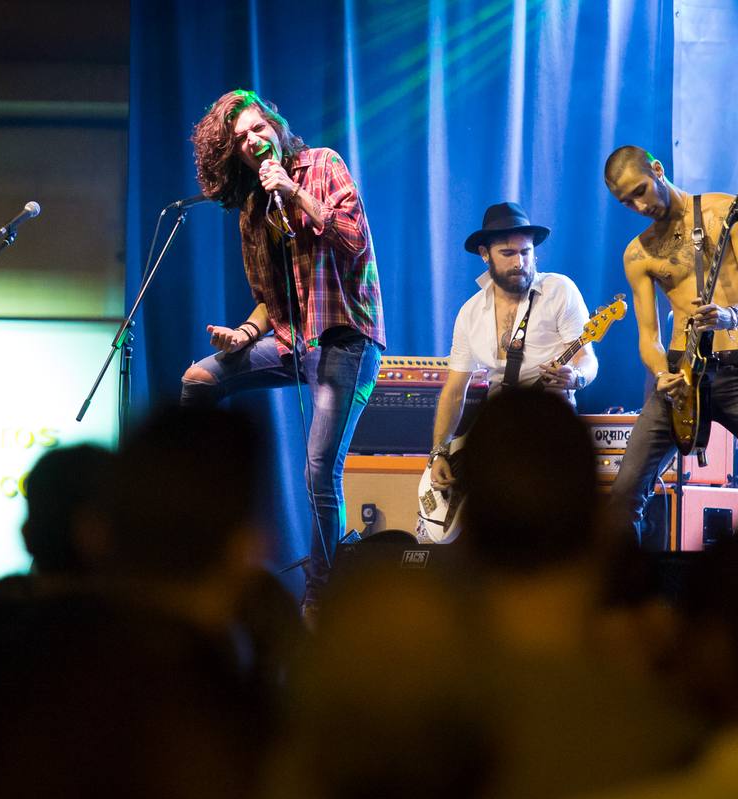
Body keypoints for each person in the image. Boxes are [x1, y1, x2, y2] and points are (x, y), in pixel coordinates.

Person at [180, 89, 385, 604]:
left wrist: (293, 192)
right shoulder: (253, 207)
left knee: (319, 466)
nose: (253, 139)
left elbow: (353, 237)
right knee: (198, 379)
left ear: (275, 125)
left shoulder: (321, 164)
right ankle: (198, 519)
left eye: (258, 128)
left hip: (344, 339)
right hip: (294, 342)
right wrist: (244, 335)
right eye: (241, 137)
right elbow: (269, 302)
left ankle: (320, 596)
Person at [602, 146, 738, 540]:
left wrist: (730, 315)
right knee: (622, 498)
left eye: (641, 191)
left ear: (658, 170)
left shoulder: (725, 211)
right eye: (627, 202)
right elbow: (648, 338)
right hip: (680, 378)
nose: (640, 206)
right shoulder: (638, 253)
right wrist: (662, 375)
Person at [427, 203, 599, 493]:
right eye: (507, 253)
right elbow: (455, 390)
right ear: (485, 255)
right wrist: (439, 452)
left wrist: (576, 378)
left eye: (525, 252)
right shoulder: (470, 312)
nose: (519, 262)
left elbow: (587, 359)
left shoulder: (559, 290)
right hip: (497, 434)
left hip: (551, 425)